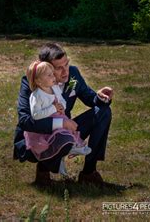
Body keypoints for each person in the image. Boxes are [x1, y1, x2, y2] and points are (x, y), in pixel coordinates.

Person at [14, 43, 113, 186]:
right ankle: (43, 169)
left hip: (64, 130)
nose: (65, 72)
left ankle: (89, 172)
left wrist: (101, 97)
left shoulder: (72, 74)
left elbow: (89, 97)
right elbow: (25, 121)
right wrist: (61, 123)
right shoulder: (31, 82)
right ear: (45, 69)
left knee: (103, 112)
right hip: (36, 138)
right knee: (60, 134)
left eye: (66, 64)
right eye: (58, 68)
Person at [23, 60, 92, 176]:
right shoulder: (36, 95)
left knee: (68, 133)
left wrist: (62, 106)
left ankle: (72, 148)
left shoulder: (54, 88)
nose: (53, 76)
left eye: (52, 73)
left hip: (59, 117)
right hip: (45, 126)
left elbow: (61, 100)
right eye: (49, 75)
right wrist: (54, 108)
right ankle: (65, 154)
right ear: (38, 81)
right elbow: (36, 115)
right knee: (62, 137)